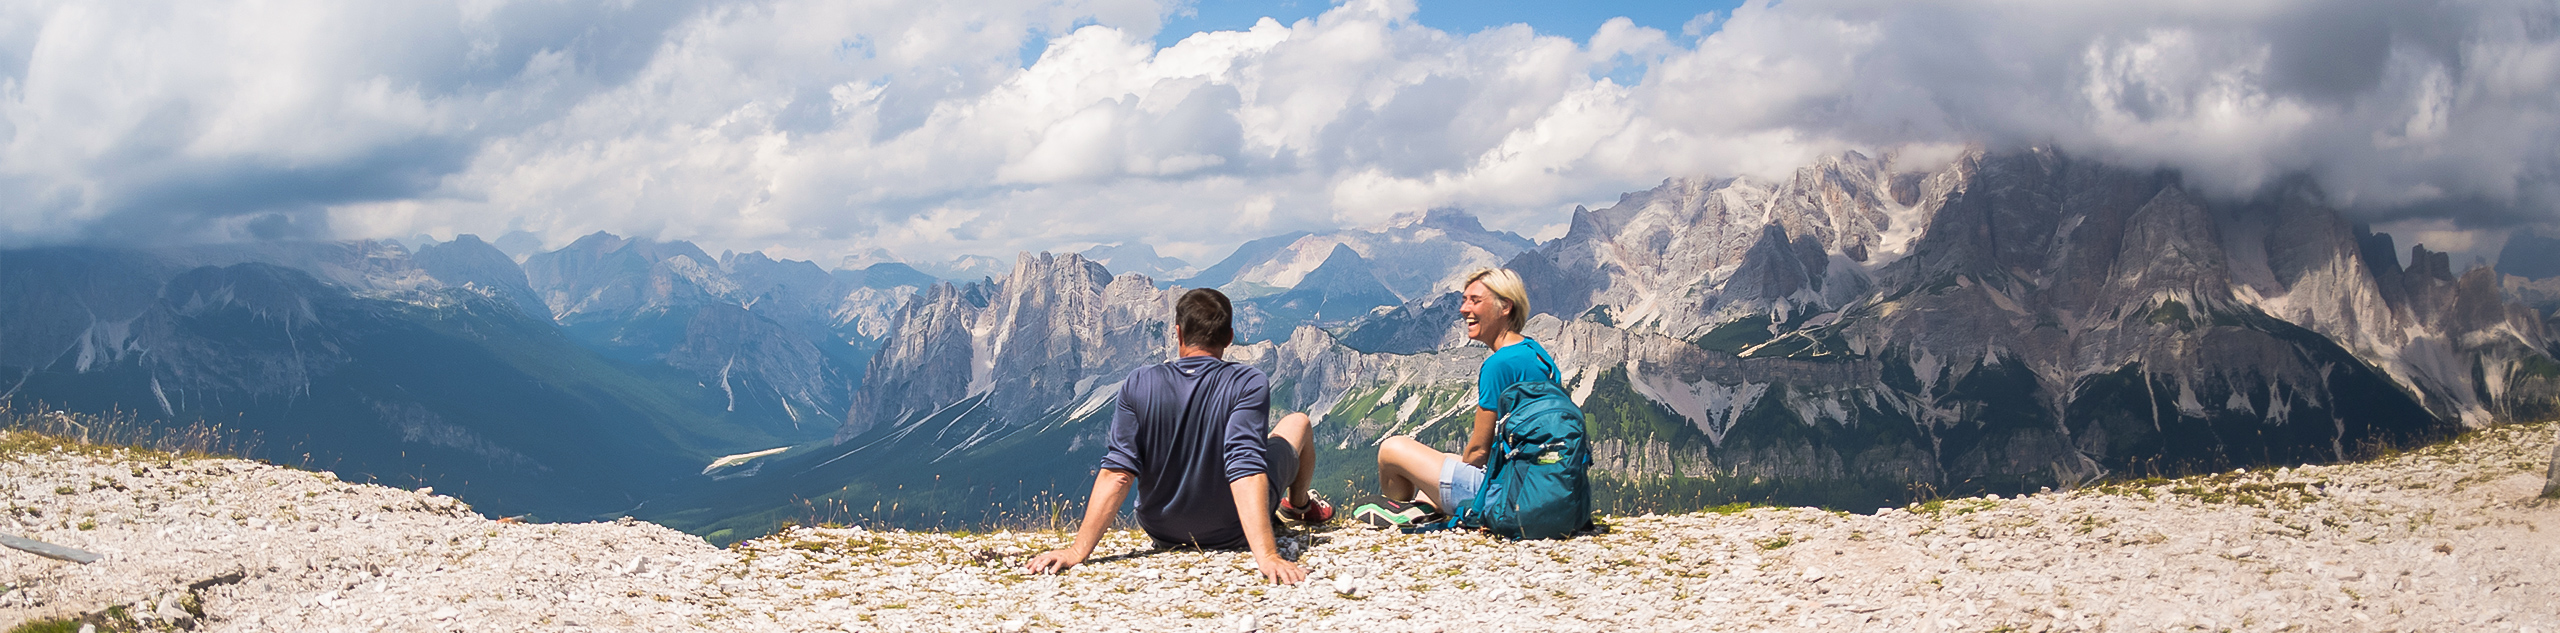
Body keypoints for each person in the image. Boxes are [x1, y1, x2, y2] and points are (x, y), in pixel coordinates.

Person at [1026, 288, 1332, 584]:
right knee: (1298, 422)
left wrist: (1078, 550)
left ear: (1178, 333)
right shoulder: (1248, 382)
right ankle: (1299, 507)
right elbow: (1245, 469)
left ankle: (1296, 508)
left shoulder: (1139, 382)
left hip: (1161, 529)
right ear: (1229, 337)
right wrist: (1267, 555)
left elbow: (1118, 473)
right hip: (1231, 531)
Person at [1365, 267, 1558, 525]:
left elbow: (1478, 451)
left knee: (1391, 450)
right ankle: (1422, 507)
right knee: (1443, 462)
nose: (1463, 309)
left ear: (1505, 307)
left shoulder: (1499, 364)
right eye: (1465, 300)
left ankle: (1400, 514)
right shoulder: (1535, 352)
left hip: (1510, 496)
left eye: (1475, 301)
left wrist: (1448, 474)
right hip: (1542, 486)